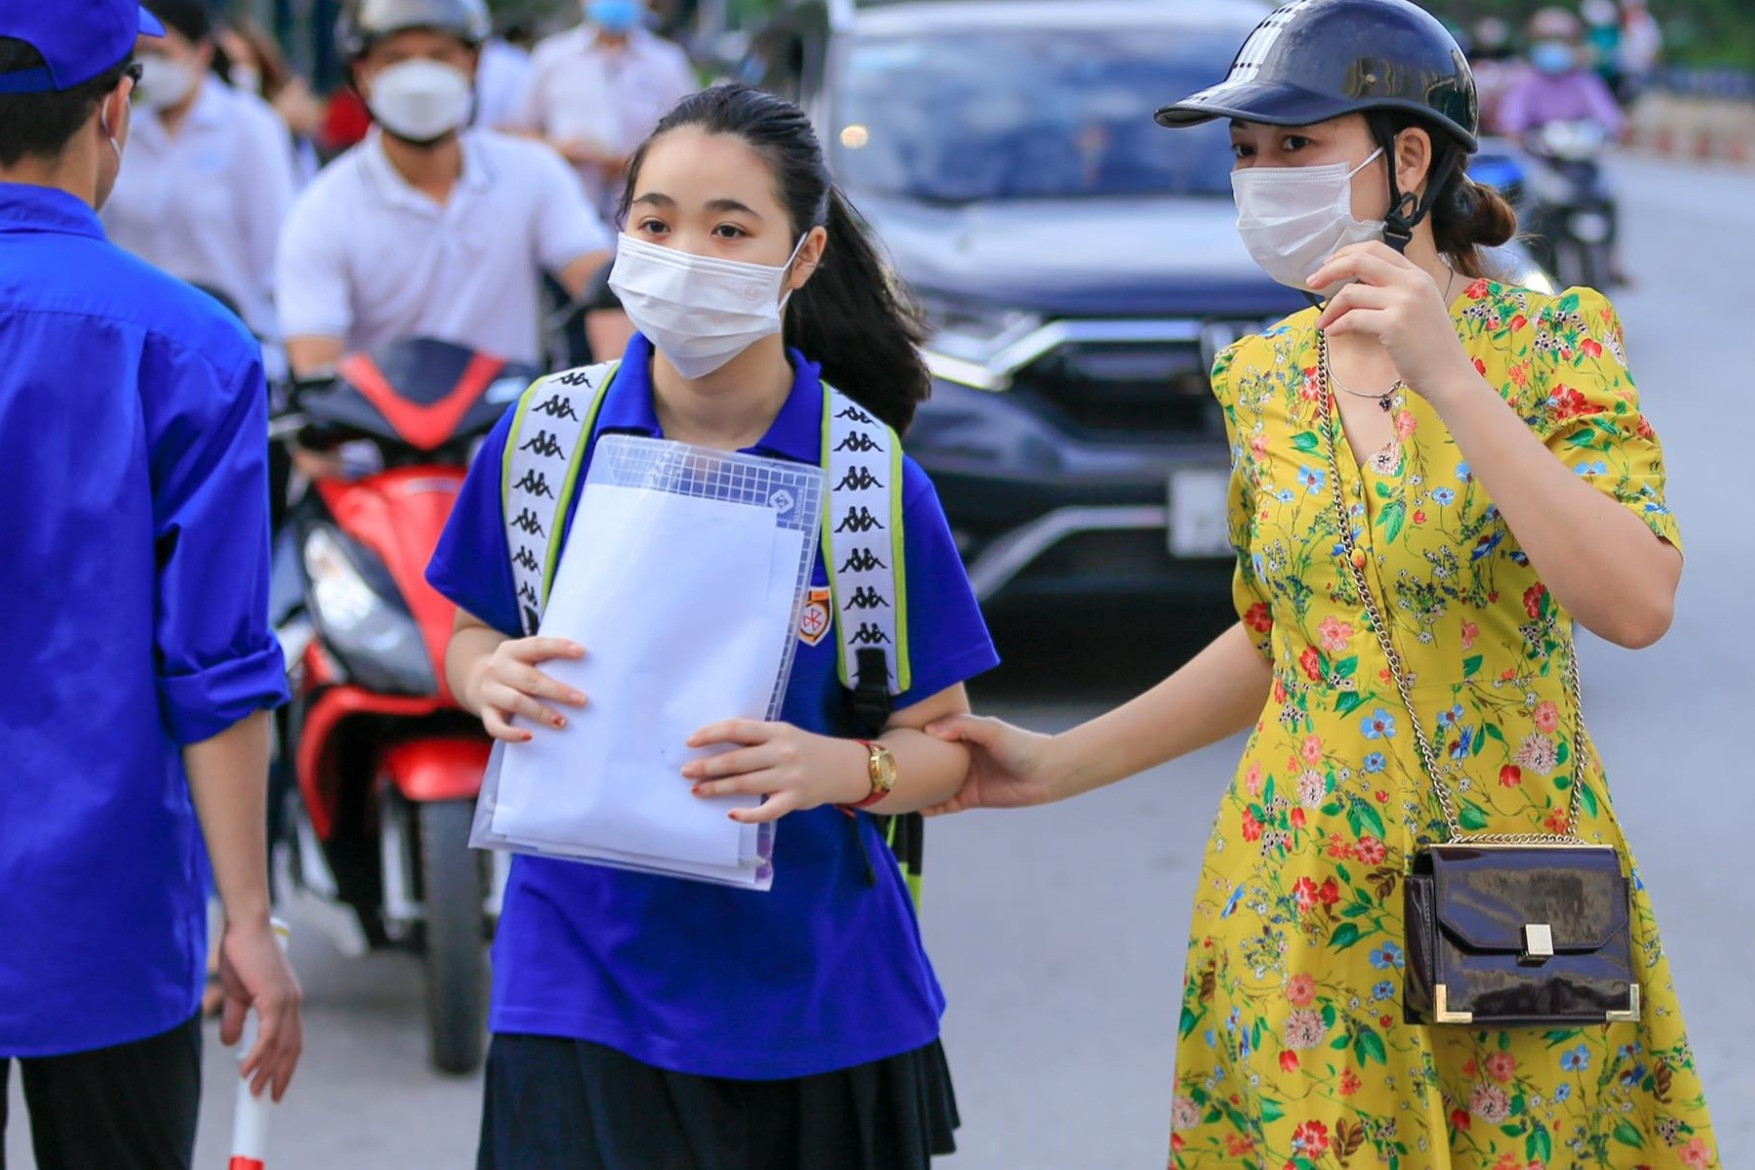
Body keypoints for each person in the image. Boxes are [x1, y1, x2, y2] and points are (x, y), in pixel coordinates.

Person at [925, 1, 1721, 1167]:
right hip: (1299, 889)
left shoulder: (1555, 345)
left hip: (1521, 878)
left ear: (1407, 160)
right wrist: (1055, 764)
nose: (1261, 177)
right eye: (1244, 154)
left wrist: (1448, 375)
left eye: (1294, 146)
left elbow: (1636, 604)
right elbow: (1283, 638)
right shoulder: (1264, 379)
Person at [427, 82, 998, 1170]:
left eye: (729, 228)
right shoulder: (542, 440)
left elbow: (944, 746)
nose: (683, 254)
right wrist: (483, 676)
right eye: (653, 223)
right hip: (574, 982)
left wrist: (836, 765)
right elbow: (464, 635)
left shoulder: (868, 483)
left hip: (816, 1006)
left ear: (803, 255)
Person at [0, 1, 303, 1167]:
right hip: (108, 916)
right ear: (115, 108)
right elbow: (216, 670)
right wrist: (249, 924)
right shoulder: (192, 345)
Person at [276, 0, 614, 380]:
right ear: (362, 74)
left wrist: (618, 399)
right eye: (396, 59)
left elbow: (604, 284)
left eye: (439, 56)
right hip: (372, 434)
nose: (420, 78)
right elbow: (316, 367)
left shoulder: (532, 173)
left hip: (509, 430)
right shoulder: (323, 211)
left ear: (473, 64)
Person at [98, 0, 298, 357]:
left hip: (231, 341)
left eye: (161, 52)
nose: (149, 66)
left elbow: (279, 253)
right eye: (139, 53)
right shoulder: (123, 124)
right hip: (138, 344)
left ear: (201, 51)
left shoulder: (249, 126)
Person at [512, 0, 698, 217]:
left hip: (642, 212)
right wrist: (557, 148)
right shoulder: (552, 56)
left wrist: (633, 162)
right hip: (565, 210)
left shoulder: (668, 64)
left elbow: (691, 141)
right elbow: (517, 131)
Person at [215, 16, 326, 178]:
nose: (241, 72)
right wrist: (276, 120)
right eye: (232, 64)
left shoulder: (292, 117)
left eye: (248, 62)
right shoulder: (212, 128)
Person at [1498, 7, 1626, 141]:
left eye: (1560, 39)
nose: (1553, 45)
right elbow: (1510, 127)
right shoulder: (1523, 80)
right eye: (1546, 39)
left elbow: (1612, 123)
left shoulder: (1585, 82)